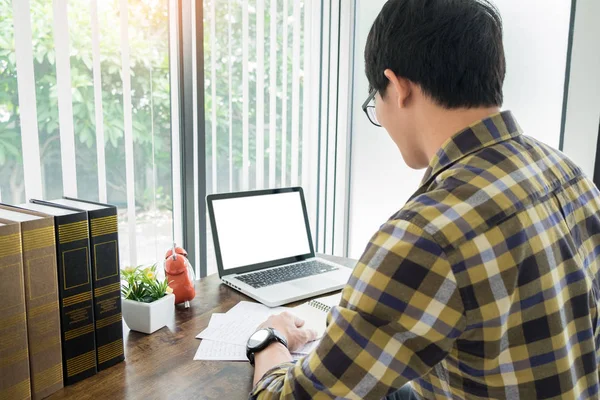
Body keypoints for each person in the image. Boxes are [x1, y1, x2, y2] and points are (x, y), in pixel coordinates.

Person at [247, 0, 600, 399]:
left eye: (373, 102)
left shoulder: (426, 234)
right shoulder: (568, 174)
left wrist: (269, 336)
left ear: (398, 88)